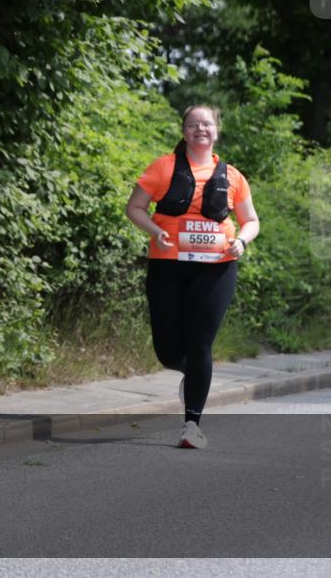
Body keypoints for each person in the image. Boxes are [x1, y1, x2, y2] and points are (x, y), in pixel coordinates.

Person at [125, 105, 260, 449]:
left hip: (216, 268)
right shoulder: (163, 167)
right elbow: (134, 207)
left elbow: (251, 221)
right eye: (193, 124)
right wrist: (155, 230)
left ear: (217, 130)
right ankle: (191, 372)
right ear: (184, 131)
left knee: (201, 342)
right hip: (168, 265)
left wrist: (241, 241)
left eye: (207, 123)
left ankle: (191, 425)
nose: (200, 129)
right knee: (168, 351)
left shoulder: (232, 177)